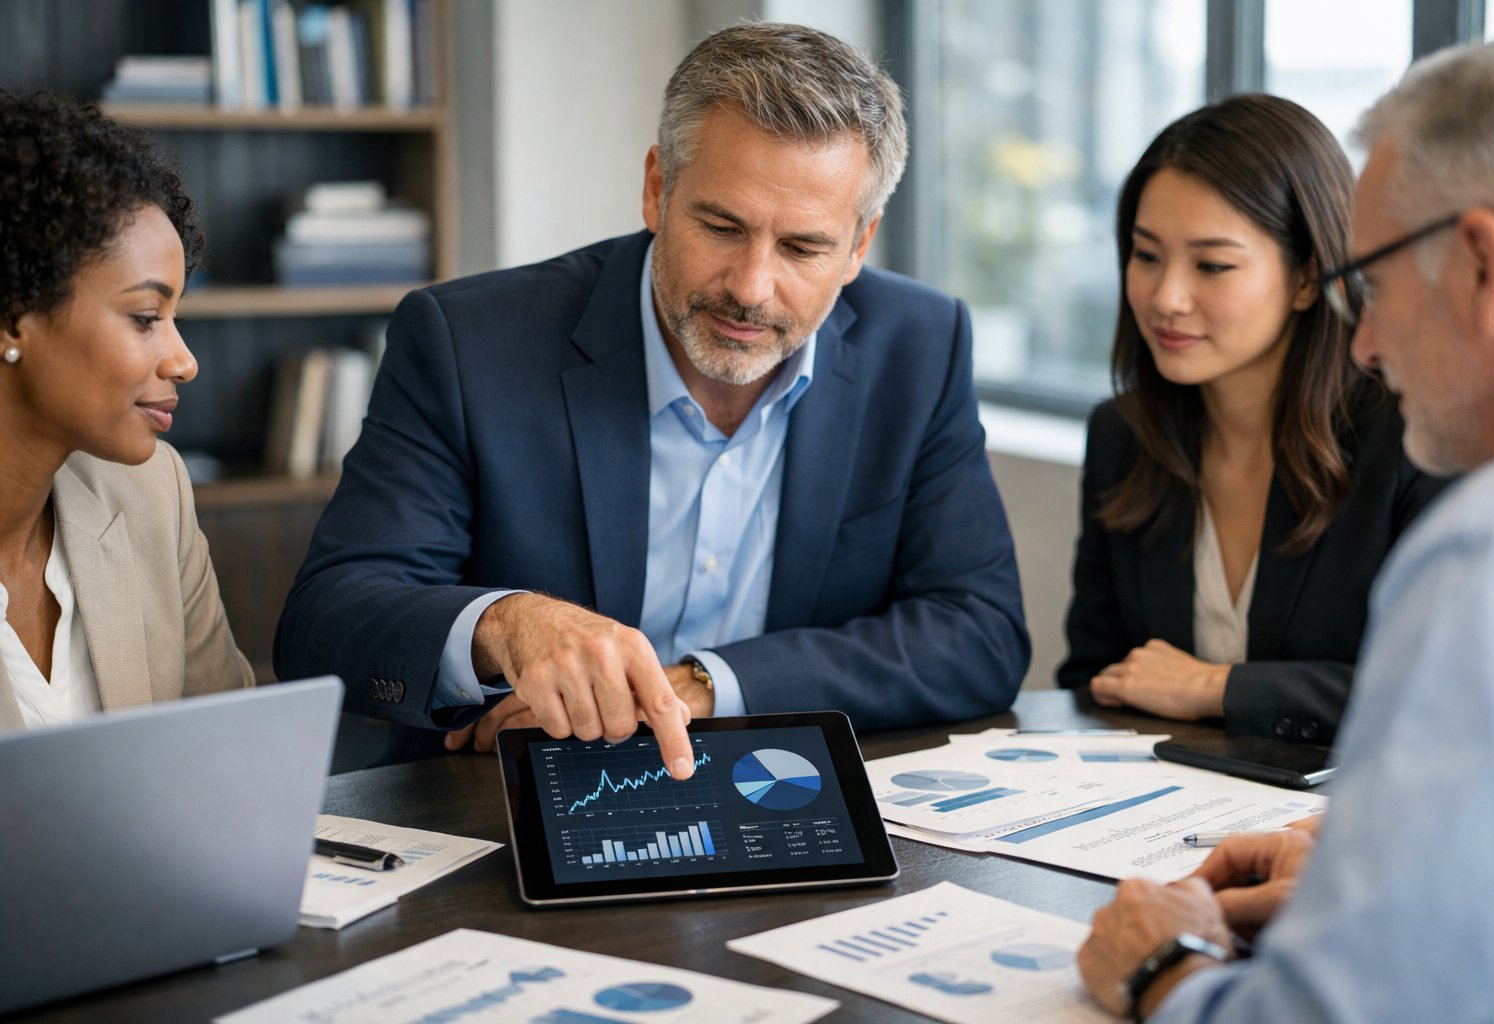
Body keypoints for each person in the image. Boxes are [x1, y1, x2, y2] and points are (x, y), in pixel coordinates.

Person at [274, 23, 1030, 773]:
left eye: (803, 247)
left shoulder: (921, 347)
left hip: (776, 793)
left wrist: (695, 688)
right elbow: (327, 620)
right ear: (656, 189)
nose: (750, 287)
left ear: (860, 245)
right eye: (721, 226)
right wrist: (507, 625)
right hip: (494, 804)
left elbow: (980, 633)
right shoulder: (467, 342)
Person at [1077, 32, 1494, 1022]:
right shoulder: (1127, 434)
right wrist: (1369, 854)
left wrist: (1164, 969)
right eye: (1147, 257)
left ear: (1484, 267)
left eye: (1374, 283)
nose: (1363, 336)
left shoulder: (1492, 542)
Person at [1058, 94, 1448, 744]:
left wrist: (1215, 687)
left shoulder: (1414, 437)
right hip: (1154, 822)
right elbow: (1097, 680)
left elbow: (1439, 691)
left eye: (1212, 266)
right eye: (1146, 255)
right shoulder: (1121, 436)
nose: (1166, 298)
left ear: (1306, 277)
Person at [0, 91, 253, 729]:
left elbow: (231, 755)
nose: (183, 361)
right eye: (145, 318)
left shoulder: (150, 492)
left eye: (175, 318)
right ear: (12, 320)